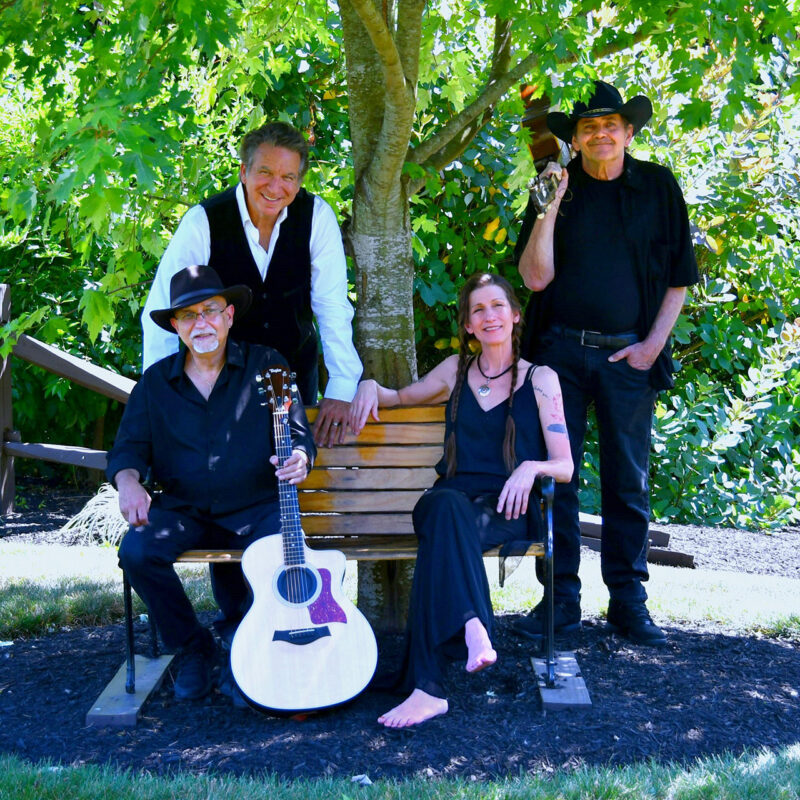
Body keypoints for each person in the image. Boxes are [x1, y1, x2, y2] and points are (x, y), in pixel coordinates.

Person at [515, 80, 699, 646]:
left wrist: (650, 348)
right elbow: (534, 278)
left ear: (629, 132)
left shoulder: (657, 187)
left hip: (629, 356)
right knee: (557, 481)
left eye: (610, 125)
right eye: (589, 127)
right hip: (559, 356)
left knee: (628, 483)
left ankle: (628, 601)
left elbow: (680, 278)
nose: (600, 134)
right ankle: (561, 601)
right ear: (576, 137)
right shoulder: (555, 190)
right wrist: (546, 208)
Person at [349, 273, 573, 728]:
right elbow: (397, 398)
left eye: (497, 307)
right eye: (477, 310)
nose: (489, 316)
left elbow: (564, 465)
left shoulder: (541, 380)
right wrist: (372, 387)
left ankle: (429, 688)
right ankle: (474, 626)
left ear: (514, 315)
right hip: (449, 498)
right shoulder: (454, 370)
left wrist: (531, 468)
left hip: (505, 510)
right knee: (445, 508)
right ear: (468, 325)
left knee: (441, 537)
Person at [109, 265, 316, 702]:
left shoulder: (267, 365)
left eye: (209, 311)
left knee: (282, 551)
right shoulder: (155, 384)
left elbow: (298, 435)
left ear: (229, 316)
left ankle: (251, 648)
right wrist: (128, 483)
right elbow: (127, 451)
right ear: (176, 326)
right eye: (188, 316)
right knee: (137, 551)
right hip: (184, 510)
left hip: (256, 507)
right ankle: (193, 647)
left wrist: (299, 457)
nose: (200, 323)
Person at [141, 121, 362, 447]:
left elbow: (332, 308)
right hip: (218, 385)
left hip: (295, 376)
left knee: (293, 479)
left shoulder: (316, 217)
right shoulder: (203, 222)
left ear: (299, 181)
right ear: (244, 171)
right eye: (265, 173)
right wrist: (161, 395)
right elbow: (162, 312)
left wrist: (342, 387)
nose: (276, 186)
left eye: (288, 177)